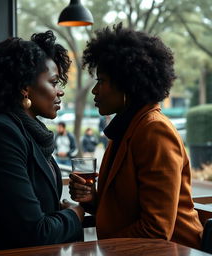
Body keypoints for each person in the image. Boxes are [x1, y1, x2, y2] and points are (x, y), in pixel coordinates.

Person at [69, 23, 203, 249]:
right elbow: (128, 209)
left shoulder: (154, 131)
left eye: (101, 81)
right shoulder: (126, 127)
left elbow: (156, 229)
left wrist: (98, 250)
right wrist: (92, 199)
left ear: (126, 85)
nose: (95, 90)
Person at [0, 31, 84, 254]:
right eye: (53, 82)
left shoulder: (30, 133)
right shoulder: (0, 134)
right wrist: (75, 214)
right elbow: (35, 233)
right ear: (25, 87)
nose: (60, 91)